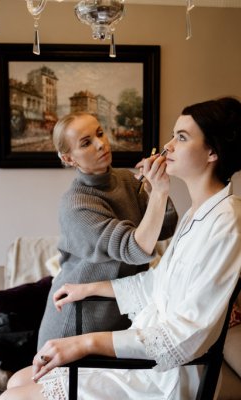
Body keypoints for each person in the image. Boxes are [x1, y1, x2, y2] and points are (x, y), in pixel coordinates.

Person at [0, 97, 241, 400]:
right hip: (137, 350)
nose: (167, 146)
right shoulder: (200, 213)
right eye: (173, 135)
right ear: (69, 158)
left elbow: (188, 331)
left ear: (213, 151)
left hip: (165, 374)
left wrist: (86, 343)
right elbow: (154, 277)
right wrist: (90, 289)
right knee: (17, 381)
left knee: (13, 396)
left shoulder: (226, 221)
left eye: (181, 137)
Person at [36, 111, 179, 349]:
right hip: (77, 320)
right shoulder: (76, 204)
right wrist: (160, 191)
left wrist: (154, 188)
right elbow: (135, 249)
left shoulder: (127, 180)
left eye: (100, 134)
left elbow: (166, 227)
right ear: (69, 159)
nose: (101, 144)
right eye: (86, 143)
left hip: (123, 313)